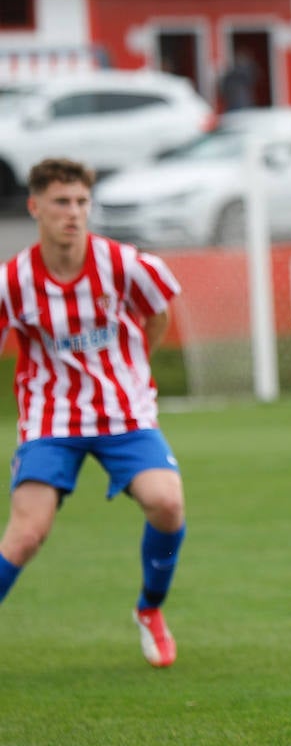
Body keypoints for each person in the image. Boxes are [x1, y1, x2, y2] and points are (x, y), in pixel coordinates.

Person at [0, 157, 187, 669]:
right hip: (50, 420)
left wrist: (131, 368)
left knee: (167, 504)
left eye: (81, 202)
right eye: (61, 202)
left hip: (124, 414)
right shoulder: (13, 280)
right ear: (35, 207)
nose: (74, 213)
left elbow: (159, 315)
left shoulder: (125, 265)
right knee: (26, 534)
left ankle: (149, 609)